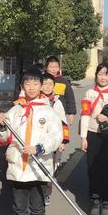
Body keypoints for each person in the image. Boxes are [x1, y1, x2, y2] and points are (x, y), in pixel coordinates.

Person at [0, 68, 63, 215]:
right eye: (27, 83)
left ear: (42, 86)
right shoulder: (15, 111)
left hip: (39, 168)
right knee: (18, 209)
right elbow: (4, 137)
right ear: (22, 86)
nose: (31, 87)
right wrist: (0, 126)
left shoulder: (48, 111)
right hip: (18, 168)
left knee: (37, 209)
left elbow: (56, 136)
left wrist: (39, 148)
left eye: (35, 83)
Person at [80, 62, 108, 215]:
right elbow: (85, 115)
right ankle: (95, 199)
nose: (103, 77)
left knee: (107, 168)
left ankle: (106, 201)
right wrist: (83, 137)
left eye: (106, 74)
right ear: (96, 76)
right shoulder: (89, 94)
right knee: (93, 168)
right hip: (93, 134)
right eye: (100, 74)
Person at [41, 72, 70, 205]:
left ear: (54, 86)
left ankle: (47, 193)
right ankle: (37, 193)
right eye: (44, 83)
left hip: (53, 142)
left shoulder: (56, 102)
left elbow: (63, 122)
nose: (47, 86)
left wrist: (63, 141)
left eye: (50, 84)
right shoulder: (35, 101)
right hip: (37, 141)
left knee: (50, 170)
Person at [44, 56, 77, 126]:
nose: (53, 69)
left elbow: (70, 99)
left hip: (60, 114)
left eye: (56, 67)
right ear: (46, 67)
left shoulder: (63, 81)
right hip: (44, 113)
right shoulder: (41, 79)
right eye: (51, 67)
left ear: (59, 68)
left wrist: (71, 114)